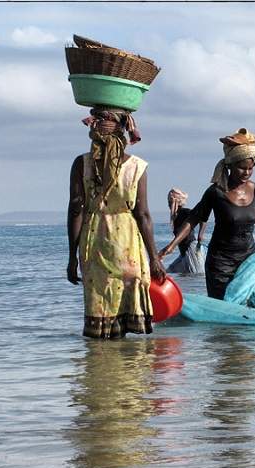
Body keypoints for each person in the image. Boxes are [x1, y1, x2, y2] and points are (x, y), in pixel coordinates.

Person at [159, 128, 255, 299]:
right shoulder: (216, 192)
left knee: (253, 303)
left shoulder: (252, 187)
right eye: (242, 168)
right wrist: (170, 246)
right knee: (223, 308)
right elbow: (193, 219)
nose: (246, 173)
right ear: (230, 165)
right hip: (220, 264)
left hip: (248, 258)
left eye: (250, 168)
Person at [67, 106, 166, 338]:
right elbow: (142, 215)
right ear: (123, 134)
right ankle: (128, 370)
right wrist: (154, 259)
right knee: (127, 319)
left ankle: (101, 370)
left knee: (100, 317)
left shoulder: (81, 164)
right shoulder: (137, 167)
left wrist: (72, 256)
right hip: (128, 245)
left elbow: (75, 210)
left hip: (94, 245)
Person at [166, 188, 207, 274]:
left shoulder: (184, 212)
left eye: (169, 201)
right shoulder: (176, 216)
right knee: (170, 271)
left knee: (196, 275)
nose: (168, 204)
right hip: (184, 253)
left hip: (191, 250)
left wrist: (200, 234)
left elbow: (202, 216)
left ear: (173, 202)